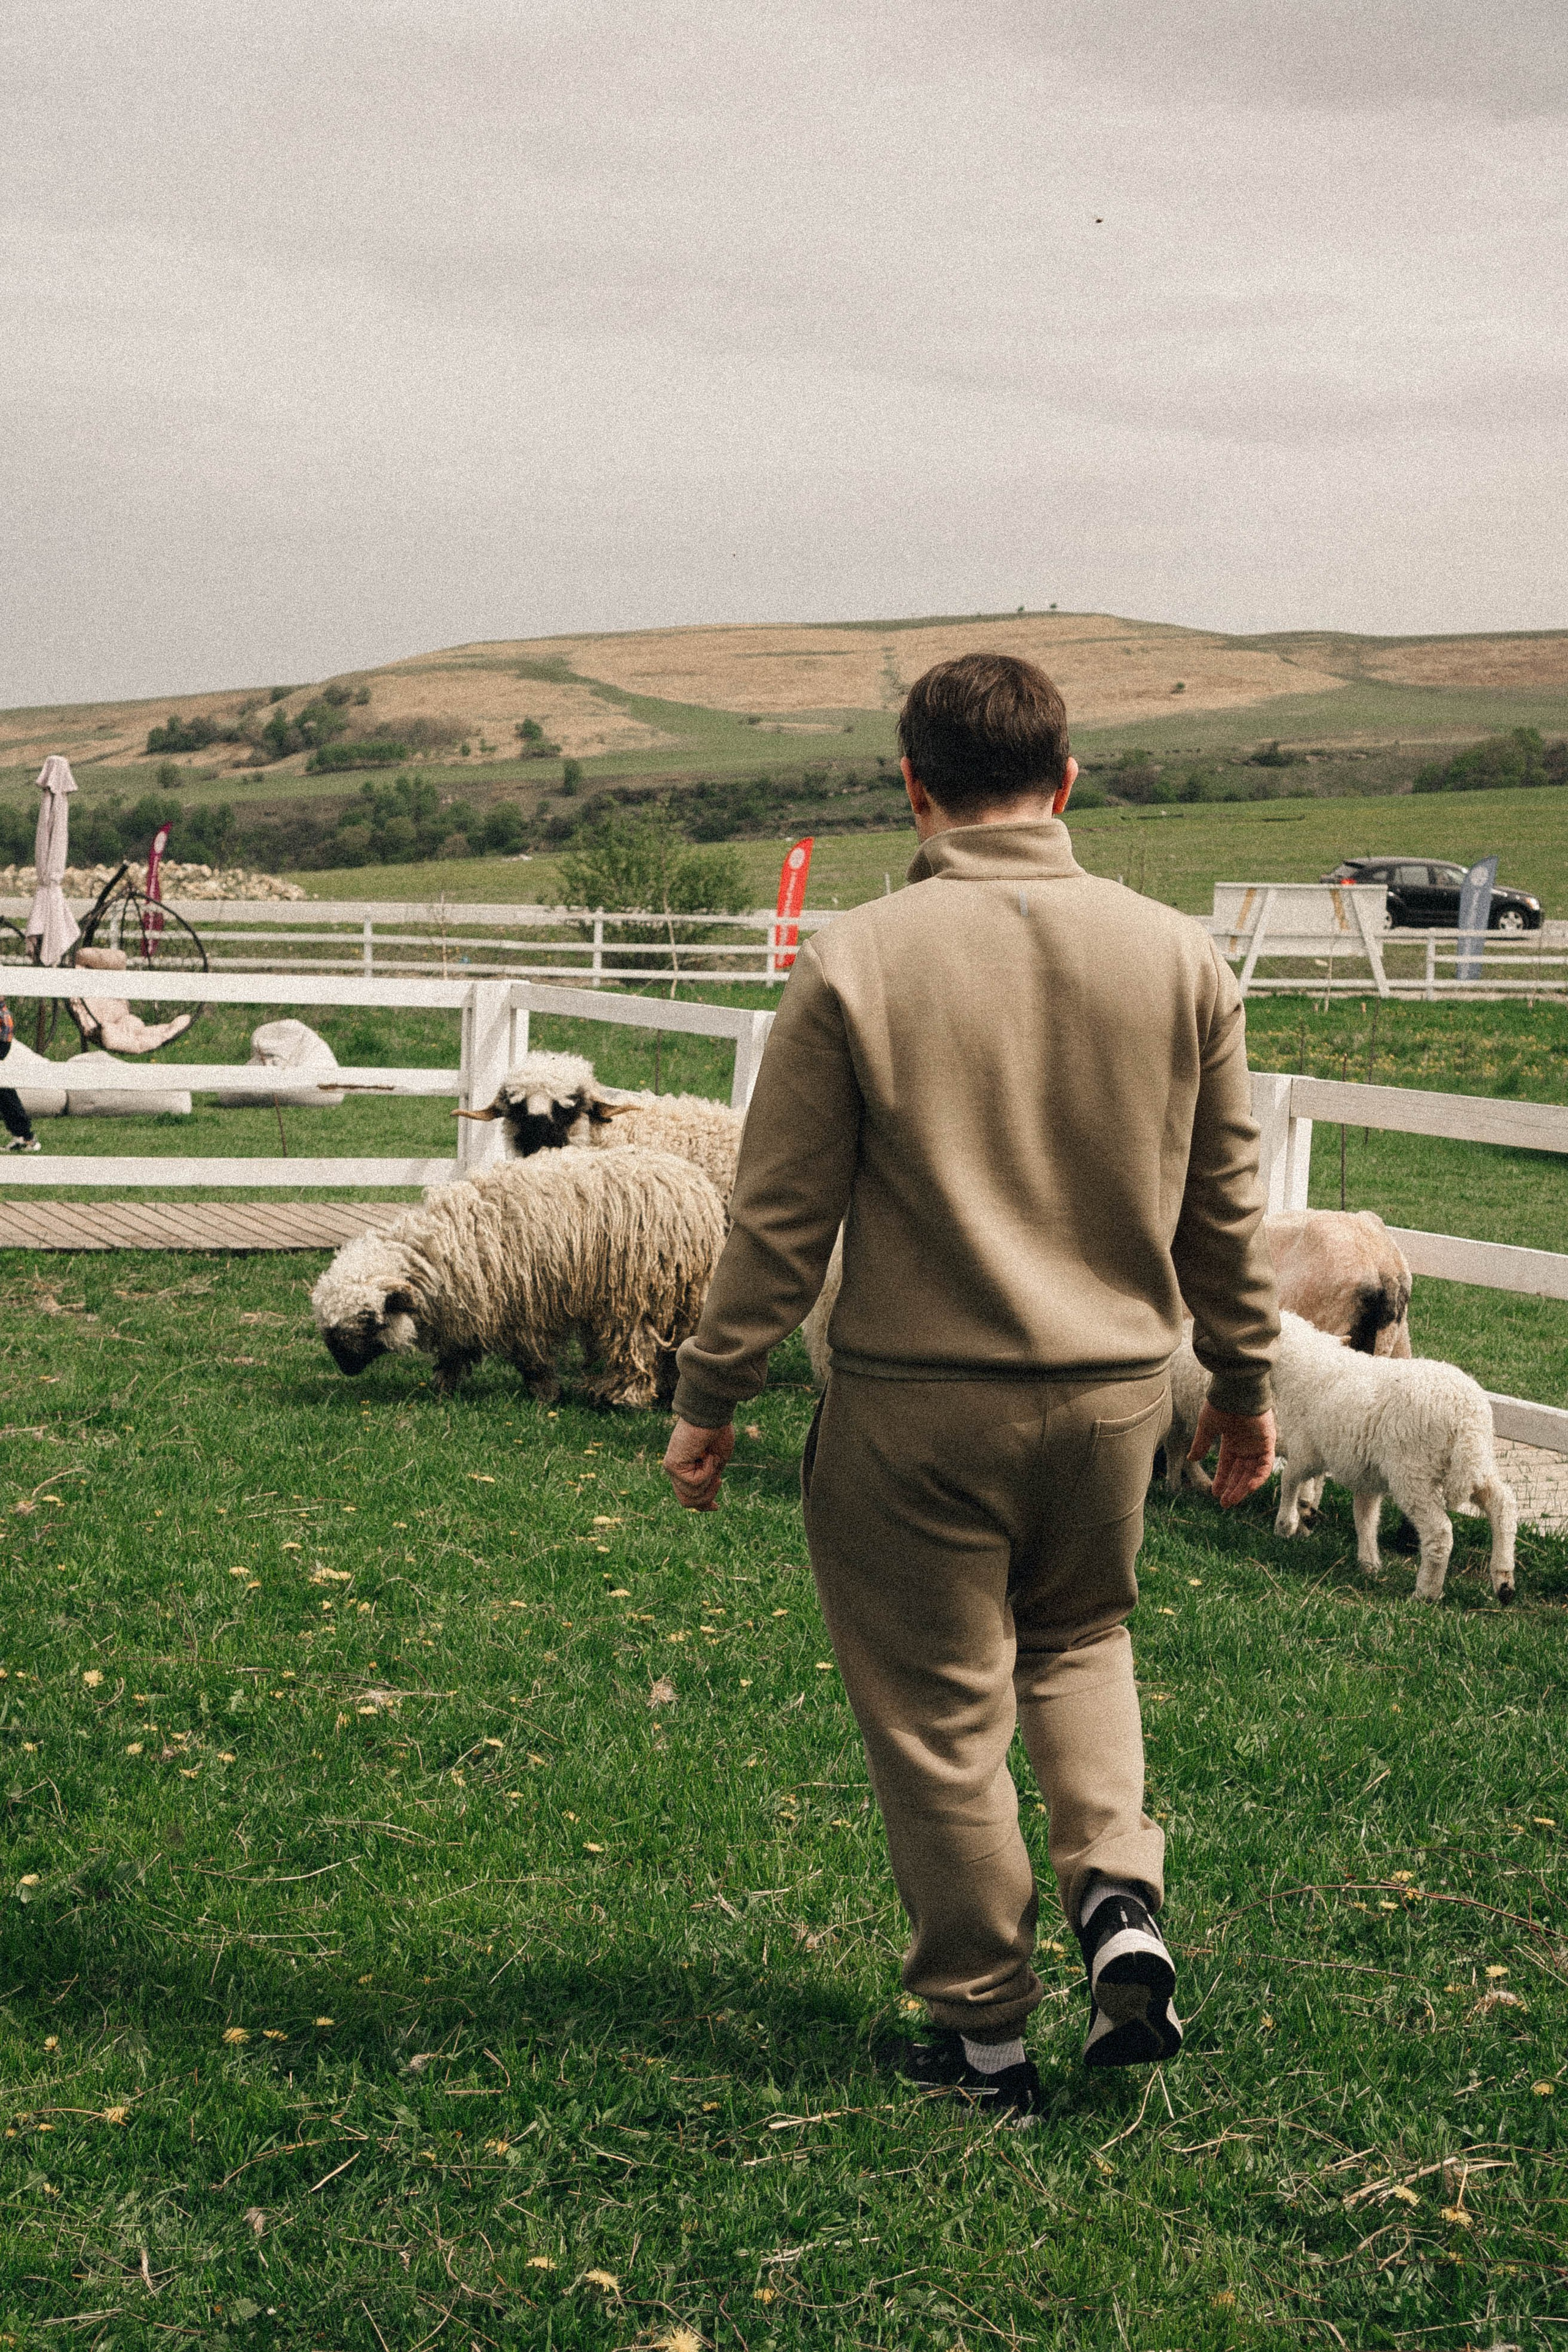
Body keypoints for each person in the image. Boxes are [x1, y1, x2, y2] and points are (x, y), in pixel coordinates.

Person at [663, 652, 1279, 2124]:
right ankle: (1116, 1894)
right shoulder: (1177, 957)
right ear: (1064, 779)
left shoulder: (856, 960)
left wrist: (709, 1388)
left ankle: (983, 2040)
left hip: (911, 1409)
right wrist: (1243, 1381)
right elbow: (1224, 1206)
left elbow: (779, 1214)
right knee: (1079, 1638)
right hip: (1116, 1400)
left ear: (911, 784)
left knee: (942, 1719)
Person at [0, 1002, 41, 1152]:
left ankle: (26, 1138)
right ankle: (24, 1137)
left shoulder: (3, 1013)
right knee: (5, 1093)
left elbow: (4, 1043)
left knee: (5, 1092)